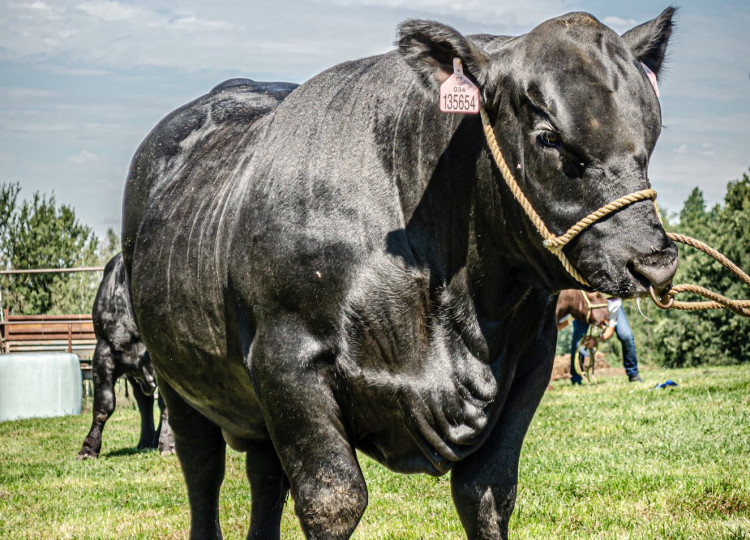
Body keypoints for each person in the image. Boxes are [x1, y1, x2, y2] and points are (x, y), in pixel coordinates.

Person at [570, 297, 642, 384]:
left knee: (626, 335)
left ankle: (633, 374)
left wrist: (596, 339)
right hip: (585, 306)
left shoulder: (614, 304)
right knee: (578, 340)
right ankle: (576, 378)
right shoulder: (586, 304)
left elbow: (610, 329)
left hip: (611, 307)